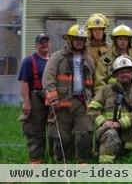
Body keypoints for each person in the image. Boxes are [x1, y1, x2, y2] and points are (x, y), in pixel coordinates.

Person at [42, 24, 94, 162]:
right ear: (69, 40)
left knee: (84, 133)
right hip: (61, 103)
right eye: (76, 39)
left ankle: (82, 162)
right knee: (61, 136)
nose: (79, 41)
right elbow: (48, 78)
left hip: (83, 103)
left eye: (82, 39)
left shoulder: (89, 60)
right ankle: (61, 162)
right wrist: (52, 98)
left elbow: (94, 83)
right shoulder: (58, 57)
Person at [87, 55, 132, 163]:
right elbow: (92, 109)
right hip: (109, 133)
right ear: (115, 74)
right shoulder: (105, 90)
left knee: (131, 160)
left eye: (128, 72)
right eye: (121, 72)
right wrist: (103, 122)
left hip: (131, 135)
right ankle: (106, 169)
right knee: (110, 134)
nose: (125, 75)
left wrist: (120, 123)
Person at [18, 34, 51, 163]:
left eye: (46, 42)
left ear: (50, 44)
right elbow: (24, 82)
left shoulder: (54, 59)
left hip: (52, 97)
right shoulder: (29, 60)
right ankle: (36, 159)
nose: (44, 44)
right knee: (35, 129)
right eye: (41, 42)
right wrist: (26, 102)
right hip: (36, 97)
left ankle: (56, 158)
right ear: (36, 45)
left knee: (55, 129)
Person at [94, 24, 132, 93]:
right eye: (120, 39)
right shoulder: (106, 58)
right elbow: (100, 82)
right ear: (115, 40)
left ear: (129, 41)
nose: (123, 42)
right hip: (112, 94)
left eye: (125, 39)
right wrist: (104, 97)